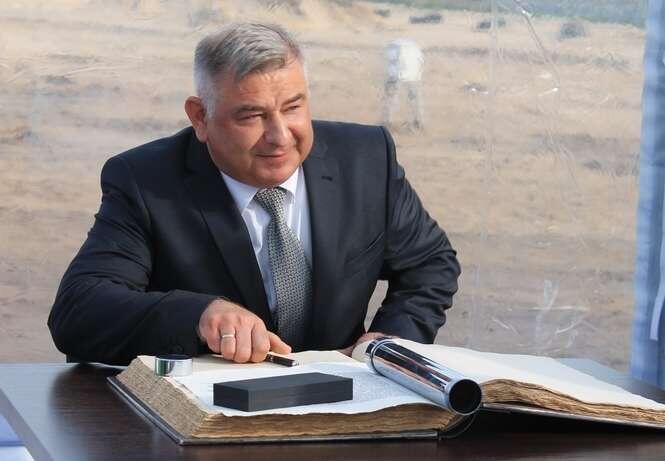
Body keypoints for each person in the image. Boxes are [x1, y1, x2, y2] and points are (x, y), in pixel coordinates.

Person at [48, 23, 460, 366]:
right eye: (252, 115)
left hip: (346, 407)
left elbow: (430, 263)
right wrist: (200, 314)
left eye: (293, 108)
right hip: (208, 416)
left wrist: (390, 342)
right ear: (200, 117)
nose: (280, 136)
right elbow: (79, 311)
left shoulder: (366, 159)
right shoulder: (146, 181)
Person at [382, 39, 425, 131]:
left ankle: (387, 121)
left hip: (402, 61)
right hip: (410, 61)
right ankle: (417, 121)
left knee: (392, 94)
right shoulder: (411, 47)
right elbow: (420, 61)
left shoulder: (394, 47)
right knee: (412, 95)